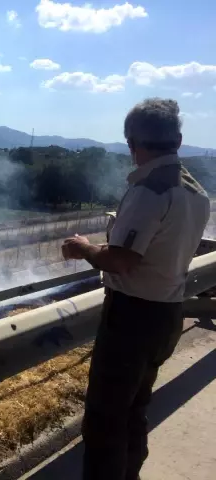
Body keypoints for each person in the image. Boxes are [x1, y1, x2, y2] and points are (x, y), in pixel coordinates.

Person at [61, 98, 210, 480]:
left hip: (132, 318)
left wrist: (84, 249)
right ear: (177, 139)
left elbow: (122, 261)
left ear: (132, 143)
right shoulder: (197, 193)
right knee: (135, 409)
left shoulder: (149, 191)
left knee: (105, 420)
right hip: (167, 314)